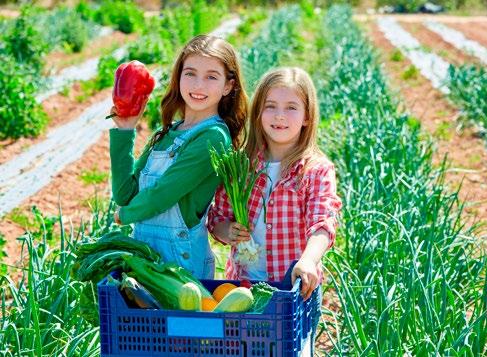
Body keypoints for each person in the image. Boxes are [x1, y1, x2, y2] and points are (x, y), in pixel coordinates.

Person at [108, 35, 248, 279]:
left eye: (211, 77)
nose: (198, 85)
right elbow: (124, 194)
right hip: (146, 260)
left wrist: (125, 215)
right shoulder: (166, 133)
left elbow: (163, 194)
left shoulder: (213, 137)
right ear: (179, 76)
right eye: (190, 73)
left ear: (228, 86)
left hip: (182, 263)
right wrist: (124, 130)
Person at [207, 67, 342, 301]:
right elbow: (217, 217)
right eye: (270, 106)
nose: (280, 116)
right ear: (258, 112)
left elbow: (322, 222)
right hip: (243, 286)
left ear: (307, 116)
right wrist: (227, 230)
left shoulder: (315, 170)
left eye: (291, 108)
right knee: (241, 338)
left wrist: (308, 260)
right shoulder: (242, 165)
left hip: (292, 289)